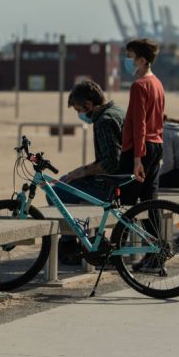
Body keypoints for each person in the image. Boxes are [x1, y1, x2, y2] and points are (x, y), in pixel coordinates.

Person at [50, 79, 125, 264]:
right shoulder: (117, 111)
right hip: (127, 179)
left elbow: (110, 163)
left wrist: (81, 172)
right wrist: (79, 172)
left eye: (78, 110)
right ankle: (75, 240)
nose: (80, 115)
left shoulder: (104, 122)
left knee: (57, 191)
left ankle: (70, 246)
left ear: (89, 104)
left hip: (115, 185)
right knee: (66, 181)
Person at [120, 38, 166, 273]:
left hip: (140, 149)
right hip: (156, 144)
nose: (127, 60)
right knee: (150, 201)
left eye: (130, 56)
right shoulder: (157, 83)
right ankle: (156, 251)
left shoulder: (139, 85)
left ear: (142, 60)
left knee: (126, 202)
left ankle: (122, 250)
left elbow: (139, 125)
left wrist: (137, 158)